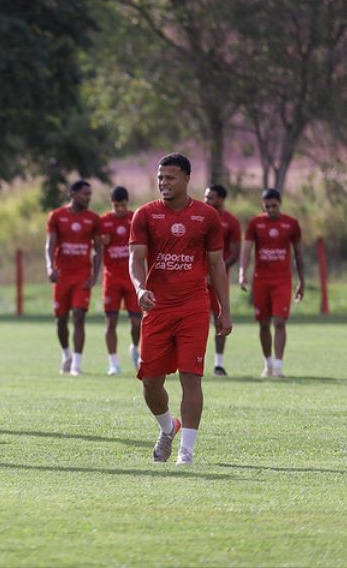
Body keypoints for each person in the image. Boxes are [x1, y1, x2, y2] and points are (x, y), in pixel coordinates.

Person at [129, 153, 231, 466]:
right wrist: (140, 288)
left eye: (170, 178)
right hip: (158, 308)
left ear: (187, 178)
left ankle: (186, 452)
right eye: (160, 178)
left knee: (191, 378)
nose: (164, 183)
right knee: (150, 381)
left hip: (193, 307)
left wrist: (224, 310)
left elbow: (217, 265)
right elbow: (135, 259)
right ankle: (167, 427)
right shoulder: (145, 215)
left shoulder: (207, 216)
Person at [239, 189, 304, 378]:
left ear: (280, 203)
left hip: (282, 280)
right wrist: (243, 273)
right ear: (263, 205)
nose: (271, 209)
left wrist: (302, 280)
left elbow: (298, 254)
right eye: (267, 206)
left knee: (280, 321)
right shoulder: (255, 223)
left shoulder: (291, 224)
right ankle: (267, 363)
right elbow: (247, 250)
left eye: (274, 206)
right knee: (263, 324)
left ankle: (278, 365)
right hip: (261, 280)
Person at [45, 180, 102, 376]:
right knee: (61, 320)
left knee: (79, 316)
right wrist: (49, 267)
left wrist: (95, 274)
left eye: (90, 194)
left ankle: (77, 364)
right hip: (62, 276)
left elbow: (98, 248)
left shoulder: (94, 219)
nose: (88, 197)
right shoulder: (57, 216)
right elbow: (50, 245)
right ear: (73, 193)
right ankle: (66, 355)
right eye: (85, 194)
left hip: (82, 275)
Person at [99, 186, 141, 375]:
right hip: (112, 279)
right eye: (116, 206)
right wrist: (100, 242)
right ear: (112, 204)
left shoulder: (135, 219)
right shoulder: (104, 222)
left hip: (132, 278)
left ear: (128, 203)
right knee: (111, 321)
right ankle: (113, 363)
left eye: (123, 205)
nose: (120, 210)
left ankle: (134, 346)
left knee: (136, 323)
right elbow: (96, 247)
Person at [203, 185, 242, 376]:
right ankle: (194, 361)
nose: (206, 201)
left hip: (218, 280)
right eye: (205, 197)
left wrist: (217, 271)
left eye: (210, 198)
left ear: (221, 199)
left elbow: (235, 253)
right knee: (195, 320)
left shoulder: (231, 222)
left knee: (219, 320)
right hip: (198, 280)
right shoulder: (198, 217)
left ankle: (218, 364)